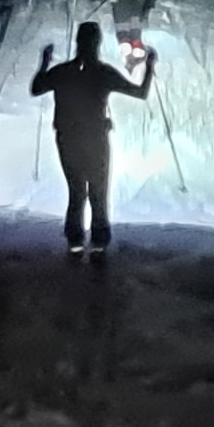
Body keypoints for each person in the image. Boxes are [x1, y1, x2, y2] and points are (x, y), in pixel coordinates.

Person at [28, 18, 154, 255]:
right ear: (98, 43)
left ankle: (75, 240)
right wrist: (149, 66)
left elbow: (35, 89)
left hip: (67, 139)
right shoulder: (103, 73)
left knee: (76, 190)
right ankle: (99, 240)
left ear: (77, 42)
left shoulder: (63, 71)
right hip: (96, 138)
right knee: (98, 190)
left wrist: (44, 62)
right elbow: (140, 92)